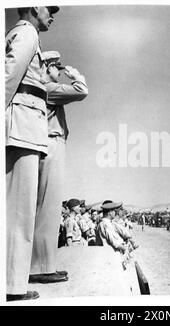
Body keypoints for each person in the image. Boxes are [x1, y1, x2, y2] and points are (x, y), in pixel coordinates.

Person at [5, 6, 60, 301]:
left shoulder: (26, 35)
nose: (52, 13)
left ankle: (11, 282)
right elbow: (8, 77)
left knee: (19, 210)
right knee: (18, 212)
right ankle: (11, 286)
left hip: (24, 130)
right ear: (32, 7)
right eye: (49, 8)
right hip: (21, 130)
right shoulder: (27, 33)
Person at [29, 51, 88, 283]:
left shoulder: (45, 89)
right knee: (48, 207)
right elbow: (81, 91)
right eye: (57, 67)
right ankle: (40, 267)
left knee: (47, 206)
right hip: (51, 143)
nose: (59, 72)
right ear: (48, 67)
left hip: (50, 144)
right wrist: (75, 75)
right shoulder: (48, 88)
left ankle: (44, 264)